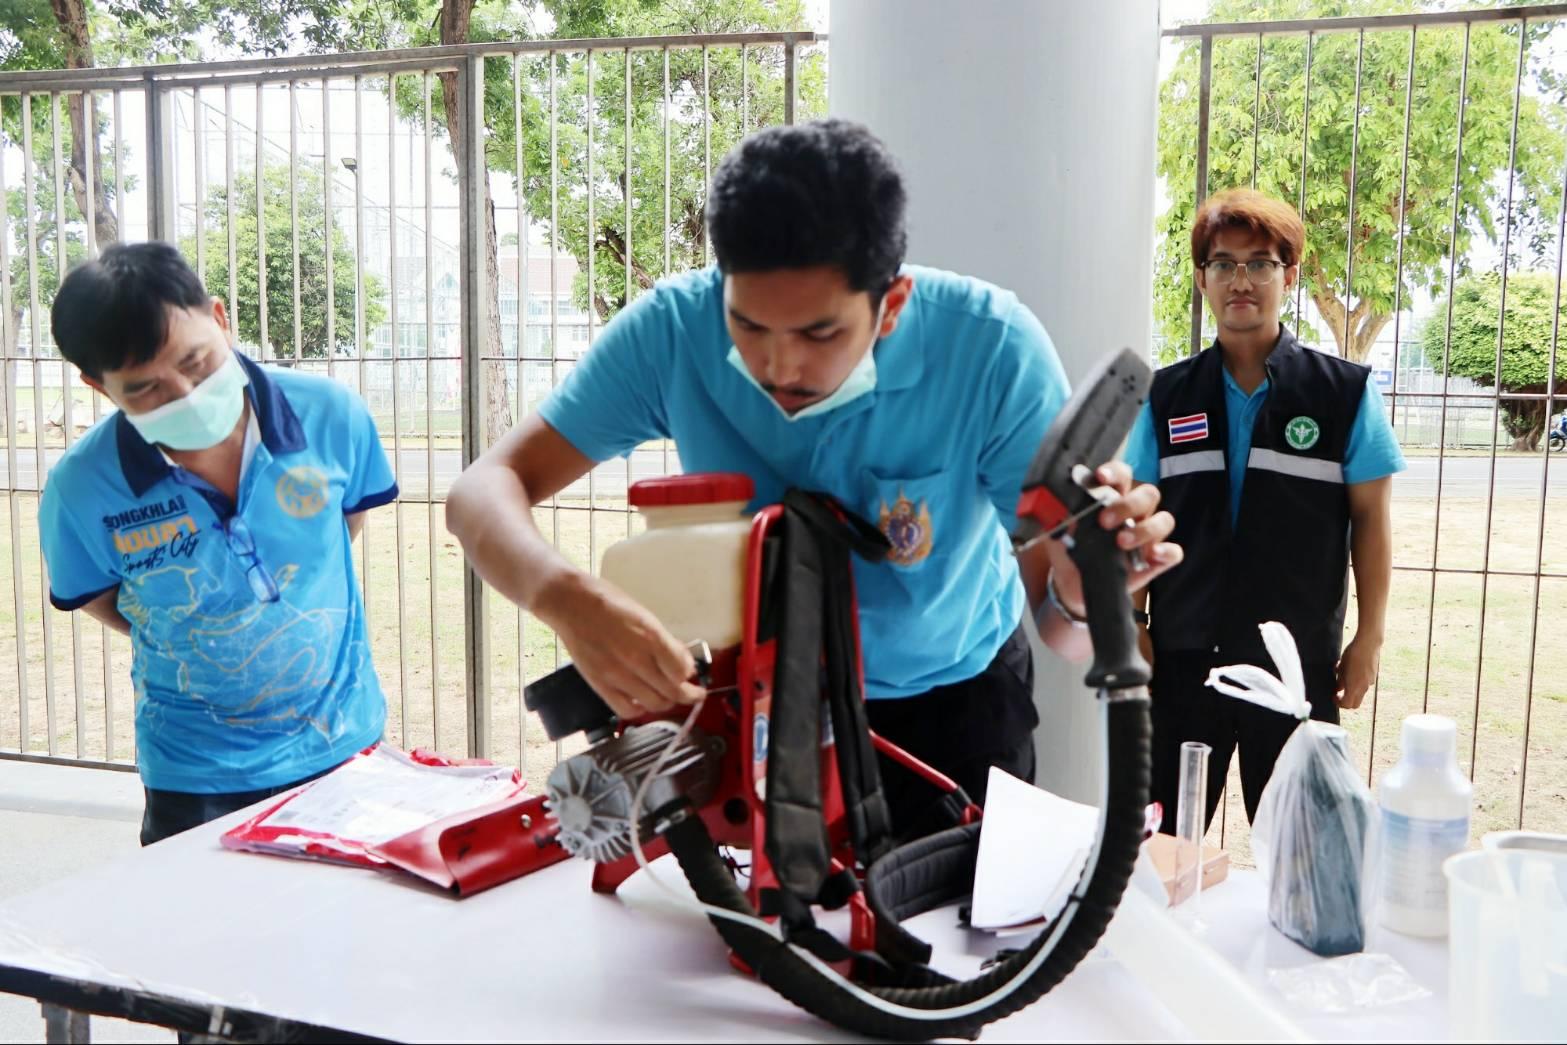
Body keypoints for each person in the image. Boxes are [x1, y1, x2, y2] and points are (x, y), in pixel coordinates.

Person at [446, 118, 1181, 838]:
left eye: (819, 333)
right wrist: (565, 598)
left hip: (952, 711)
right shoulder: (673, 330)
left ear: (890, 306)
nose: (778, 366)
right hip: (763, 707)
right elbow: (482, 489)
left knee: (960, 917)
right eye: (748, 326)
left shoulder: (991, 349)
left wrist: (1086, 595)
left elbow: (1061, 632)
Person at [39, 242, 398, 845]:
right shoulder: (81, 489)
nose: (185, 394)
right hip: (193, 776)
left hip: (343, 745)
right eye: (147, 389)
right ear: (99, 387)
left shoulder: (331, 416)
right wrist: (199, 625)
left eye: (197, 361)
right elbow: (103, 599)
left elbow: (340, 528)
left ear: (221, 318)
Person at [1124, 188, 1405, 832]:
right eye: (1223, 264)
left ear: (1290, 276)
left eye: (1260, 263)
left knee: (1305, 846)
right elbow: (1136, 518)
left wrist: (1369, 636)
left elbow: (1371, 521)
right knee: (1161, 842)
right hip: (1182, 655)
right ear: (1202, 279)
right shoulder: (1166, 396)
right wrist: (1132, 618)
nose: (1241, 280)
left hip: (1292, 663)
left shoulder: (1342, 394)